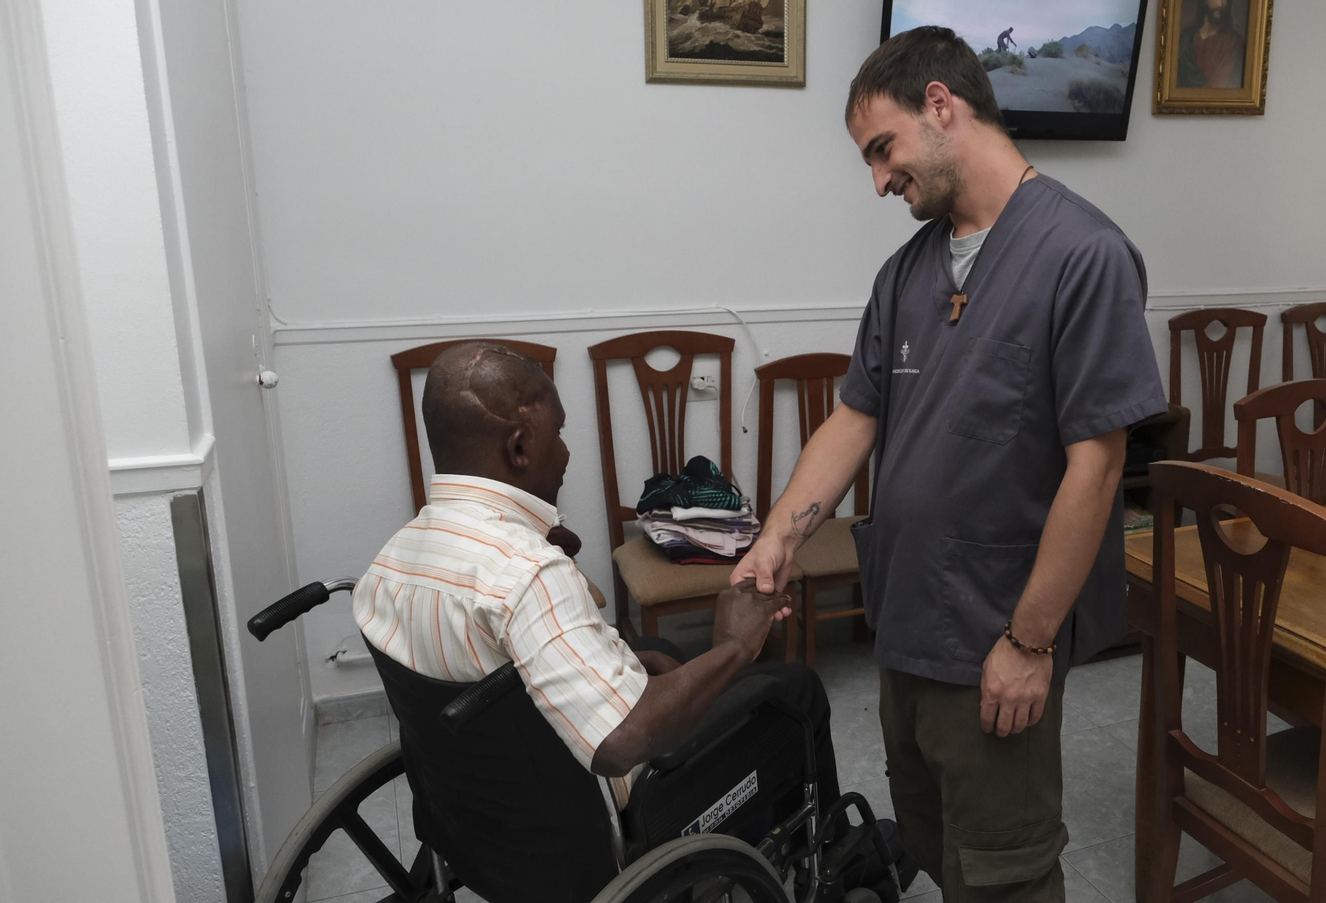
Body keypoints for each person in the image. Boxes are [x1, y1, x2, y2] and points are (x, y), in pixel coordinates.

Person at [733, 26, 1165, 902]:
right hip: (908, 623)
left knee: (1006, 871)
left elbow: (1097, 467)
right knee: (931, 839)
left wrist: (1029, 641)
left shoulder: (1083, 255)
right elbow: (855, 419)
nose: (879, 178)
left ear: (941, 105)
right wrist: (778, 534)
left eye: (882, 149)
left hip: (996, 633)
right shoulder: (907, 273)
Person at [352, 341, 841, 895]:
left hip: (478, 827)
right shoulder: (526, 572)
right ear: (517, 447)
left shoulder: (390, 563)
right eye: (557, 434)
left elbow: (495, 671)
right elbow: (620, 740)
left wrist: (614, 655)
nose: (565, 453)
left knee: (659, 650)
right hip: (592, 834)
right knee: (793, 690)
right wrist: (732, 644)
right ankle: (831, 856)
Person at [1178, 0, 1245, 88]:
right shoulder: (1186, 38)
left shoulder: (1233, 42)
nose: (1221, 4)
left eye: (1225, 0)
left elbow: (1217, 86)